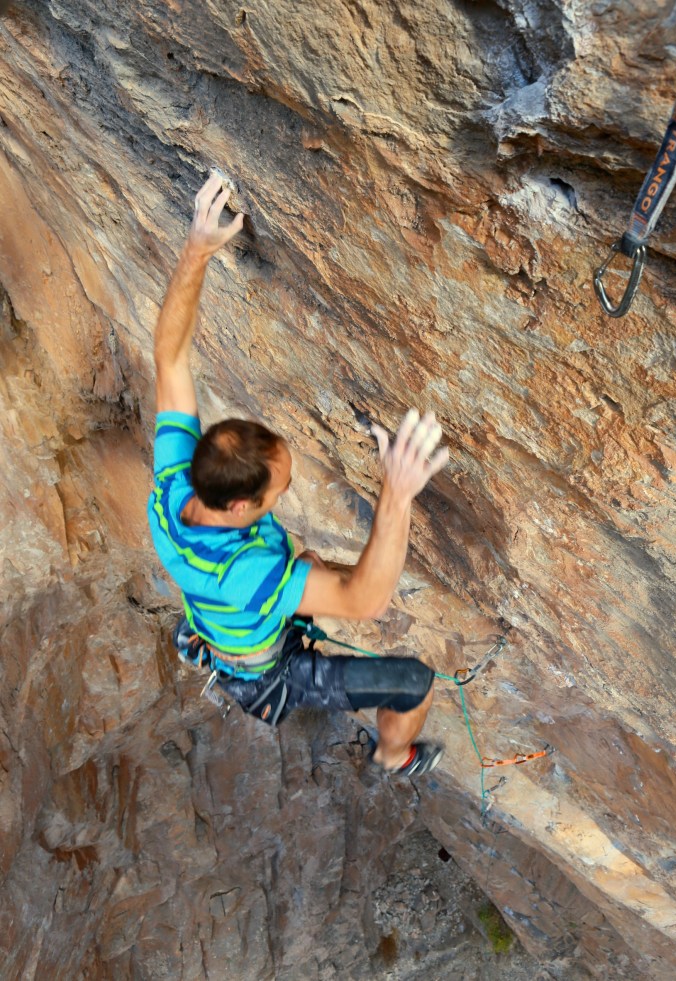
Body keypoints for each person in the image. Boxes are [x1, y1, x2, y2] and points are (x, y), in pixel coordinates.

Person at [147, 174, 450, 775]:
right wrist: (397, 494)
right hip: (271, 675)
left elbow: (169, 355)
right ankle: (392, 756)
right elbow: (366, 601)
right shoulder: (249, 572)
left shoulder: (171, 488)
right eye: (276, 493)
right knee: (413, 682)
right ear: (239, 509)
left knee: (307, 567)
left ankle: (218, 636)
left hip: (231, 616)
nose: (287, 492)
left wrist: (197, 247)